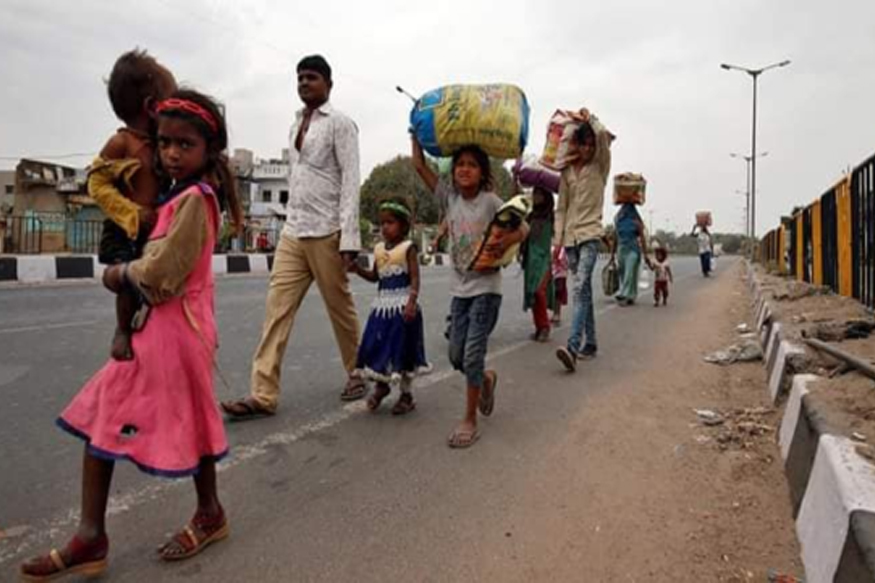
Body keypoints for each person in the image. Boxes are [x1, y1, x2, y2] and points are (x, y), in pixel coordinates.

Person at [20, 89, 244, 581]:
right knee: (160, 418)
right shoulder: (173, 198)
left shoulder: (195, 201)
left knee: (140, 418)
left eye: (184, 144)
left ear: (208, 149)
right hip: (168, 333)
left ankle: (99, 534)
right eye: (164, 143)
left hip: (176, 333)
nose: (171, 153)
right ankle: (108, 530)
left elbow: (165, 274)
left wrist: (120, 275)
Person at [222, 55, 364, 420]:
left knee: (340, 309)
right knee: (276, 310)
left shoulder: (341, 124)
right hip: (293, 230)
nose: (304, 83)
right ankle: (262, 394)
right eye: (300, 78)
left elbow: (351, 181)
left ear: (328, 84)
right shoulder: (295, 124)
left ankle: (360, 372)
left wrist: (349, 238)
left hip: (327, 230)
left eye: (311, 77)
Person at [411, 136, 528, 448]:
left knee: (472, 354)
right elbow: (419, 166)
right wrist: (416, 136)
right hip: (459, 291)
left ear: (482, 172)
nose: (464, 169)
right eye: (460, 164)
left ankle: (469, 419)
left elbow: (524, 228)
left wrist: (506, 240)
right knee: (455, 355)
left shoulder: (490, 201)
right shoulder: (449, 199)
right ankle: (486, 379)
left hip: (487, 290)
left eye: (472, 165)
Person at [88, 49, 177, 361]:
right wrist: (131, 212)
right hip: (125, 227)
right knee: (127, 280)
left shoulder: (165, 146)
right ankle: (122, 329)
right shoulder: (121, 143)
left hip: (154, 228)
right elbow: (96, 183)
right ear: (152, 107)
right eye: (172, 100)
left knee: (153, 279)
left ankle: (149, 327)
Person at [350, 197, 429, 415]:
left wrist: (411, 302)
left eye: (390, 222)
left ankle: (406, 395)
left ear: (403, 225)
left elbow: (415, 278)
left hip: (403, 309)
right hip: (381, 309)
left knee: (401, 351)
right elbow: (376, 277)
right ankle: (382, 386)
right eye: (382, 222)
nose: (384, 227)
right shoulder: (378, 249)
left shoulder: (408, 248)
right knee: (376, 346)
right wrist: (357, 269)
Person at [554, 119, 612, 372]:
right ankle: (592, 344)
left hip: (590, 236)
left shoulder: (600, 167)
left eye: (591, 145)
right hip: (570, 240)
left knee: (578, 289)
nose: (588, 149)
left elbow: (602, 138)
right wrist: (558, 240)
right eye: (583, 144)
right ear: (575, 145)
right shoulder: (566, 173)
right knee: (584, 290)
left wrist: (589, 119)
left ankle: (573, 347)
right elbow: (561, 209)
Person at [522, 186, 555, 342]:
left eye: (540, 193)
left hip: (544, 260)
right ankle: (538, 327)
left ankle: (545, 326)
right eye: (535, 193)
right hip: (531, 260)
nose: (536, 196)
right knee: (532, 294)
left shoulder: (551, 216)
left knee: (539, 292)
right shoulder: (530, 217)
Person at [611, 202, 650, 306]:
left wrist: (646, 255)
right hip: (621, 250)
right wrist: (612, 255)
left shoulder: (637, 223)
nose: (625, 210)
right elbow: (615, 239)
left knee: (629, 272)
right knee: (623, 273)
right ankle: (630, 296)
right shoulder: (618, 221)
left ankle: (623, 294)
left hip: (633, 250)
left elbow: (642, 239)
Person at [551, 245, 568, 325]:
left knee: (558, 291)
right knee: (553, 292)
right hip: (552, 270)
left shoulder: (563, 246)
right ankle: (555, 313)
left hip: (560, 271)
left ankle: (557, 314)